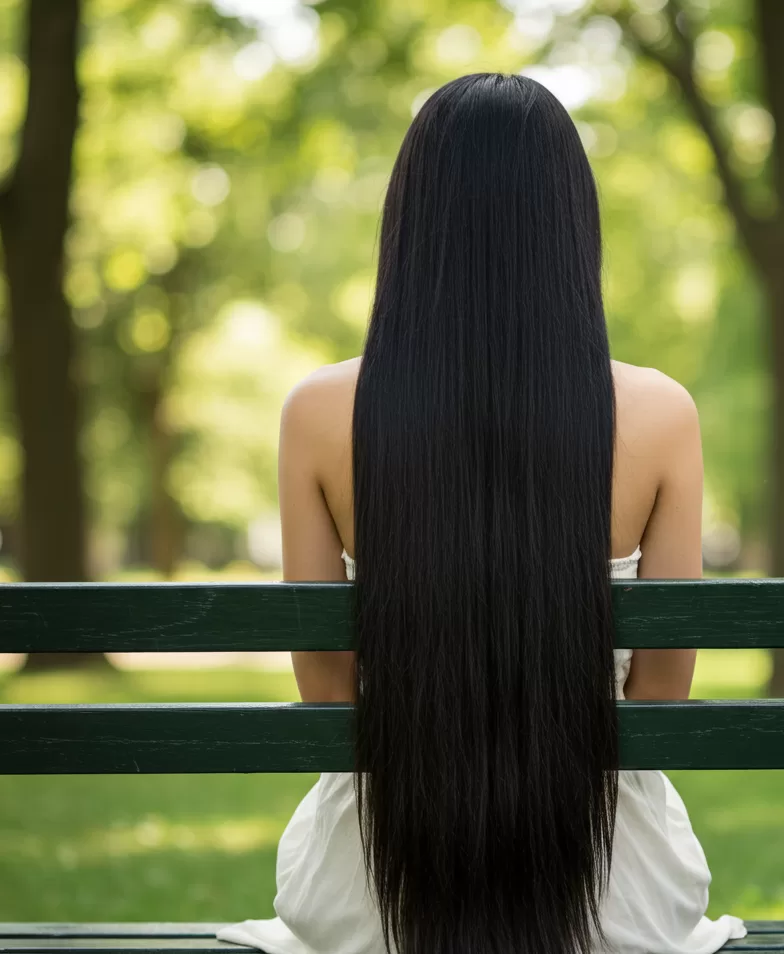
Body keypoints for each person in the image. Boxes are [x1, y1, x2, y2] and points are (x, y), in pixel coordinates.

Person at [219, 72, 745, 954]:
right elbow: (662, 696)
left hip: (375, 891)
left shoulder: (318, 414)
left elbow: (327, 697)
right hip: (612, 894)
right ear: (572, 224)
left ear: (411, 223)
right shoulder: (660, 415)